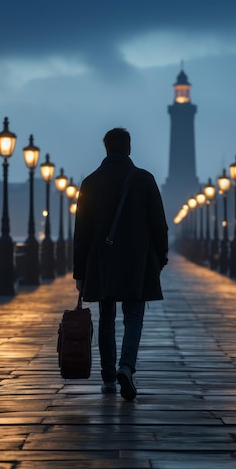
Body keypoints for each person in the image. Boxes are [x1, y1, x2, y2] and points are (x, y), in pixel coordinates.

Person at [73, 127, 169, 401]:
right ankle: (126, 367)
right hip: (137, 262)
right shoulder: (144, 179)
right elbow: (159, 225)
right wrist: (160, 257)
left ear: (106, 148)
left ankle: (107, 379)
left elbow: (82, 233)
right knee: (134, 316)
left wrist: (80, 272)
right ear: (129, 148)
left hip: (103, 261)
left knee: (106, 318)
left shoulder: (91, 182)